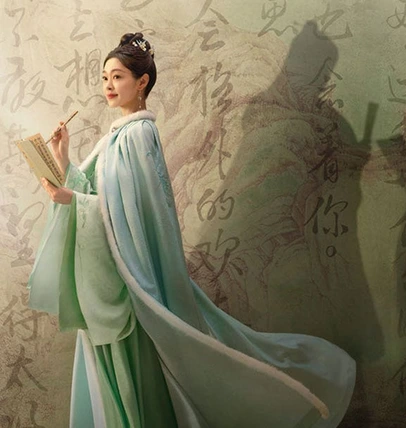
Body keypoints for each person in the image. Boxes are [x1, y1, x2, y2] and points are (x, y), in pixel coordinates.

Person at [29, 32, 355, 427]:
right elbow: (103, 196)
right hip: (109, 276)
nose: (108, 86)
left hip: (131, 280)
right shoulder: (116, 136)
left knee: (142, 381)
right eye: (104, 78)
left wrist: (74, 201)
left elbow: (135, 213)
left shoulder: (138, 135)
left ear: (142, 81)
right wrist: (63, 160)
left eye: (117, 77)